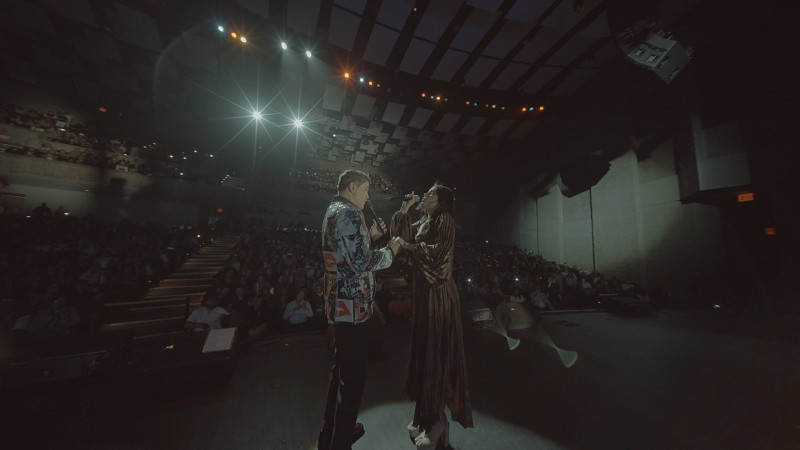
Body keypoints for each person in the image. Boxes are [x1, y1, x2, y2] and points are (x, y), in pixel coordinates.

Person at [318, 169, 402, 450]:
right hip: (352, 308)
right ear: (352, 187)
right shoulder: (351, 213)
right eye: (366, 190)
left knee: (341, 373)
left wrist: (371, 235)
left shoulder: (333, 209)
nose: (368, 197)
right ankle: (340, 441)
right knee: (352, 380)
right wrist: (391, 249)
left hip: (339, 305)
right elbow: (360, 263)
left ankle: (330, 434)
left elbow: (347, 254)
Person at [391, 182, 473, 449]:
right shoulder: (425, 219)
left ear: (441, 200)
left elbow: (439, 255)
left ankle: (437, 422)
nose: (425, 194)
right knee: (426, 353)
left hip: (438, 294)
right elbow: (401, 241)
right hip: (426, 294)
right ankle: (423, 417)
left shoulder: (445, 219)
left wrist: (410, 246)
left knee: (436, 355)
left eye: (431, 193)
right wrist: (404, 209)